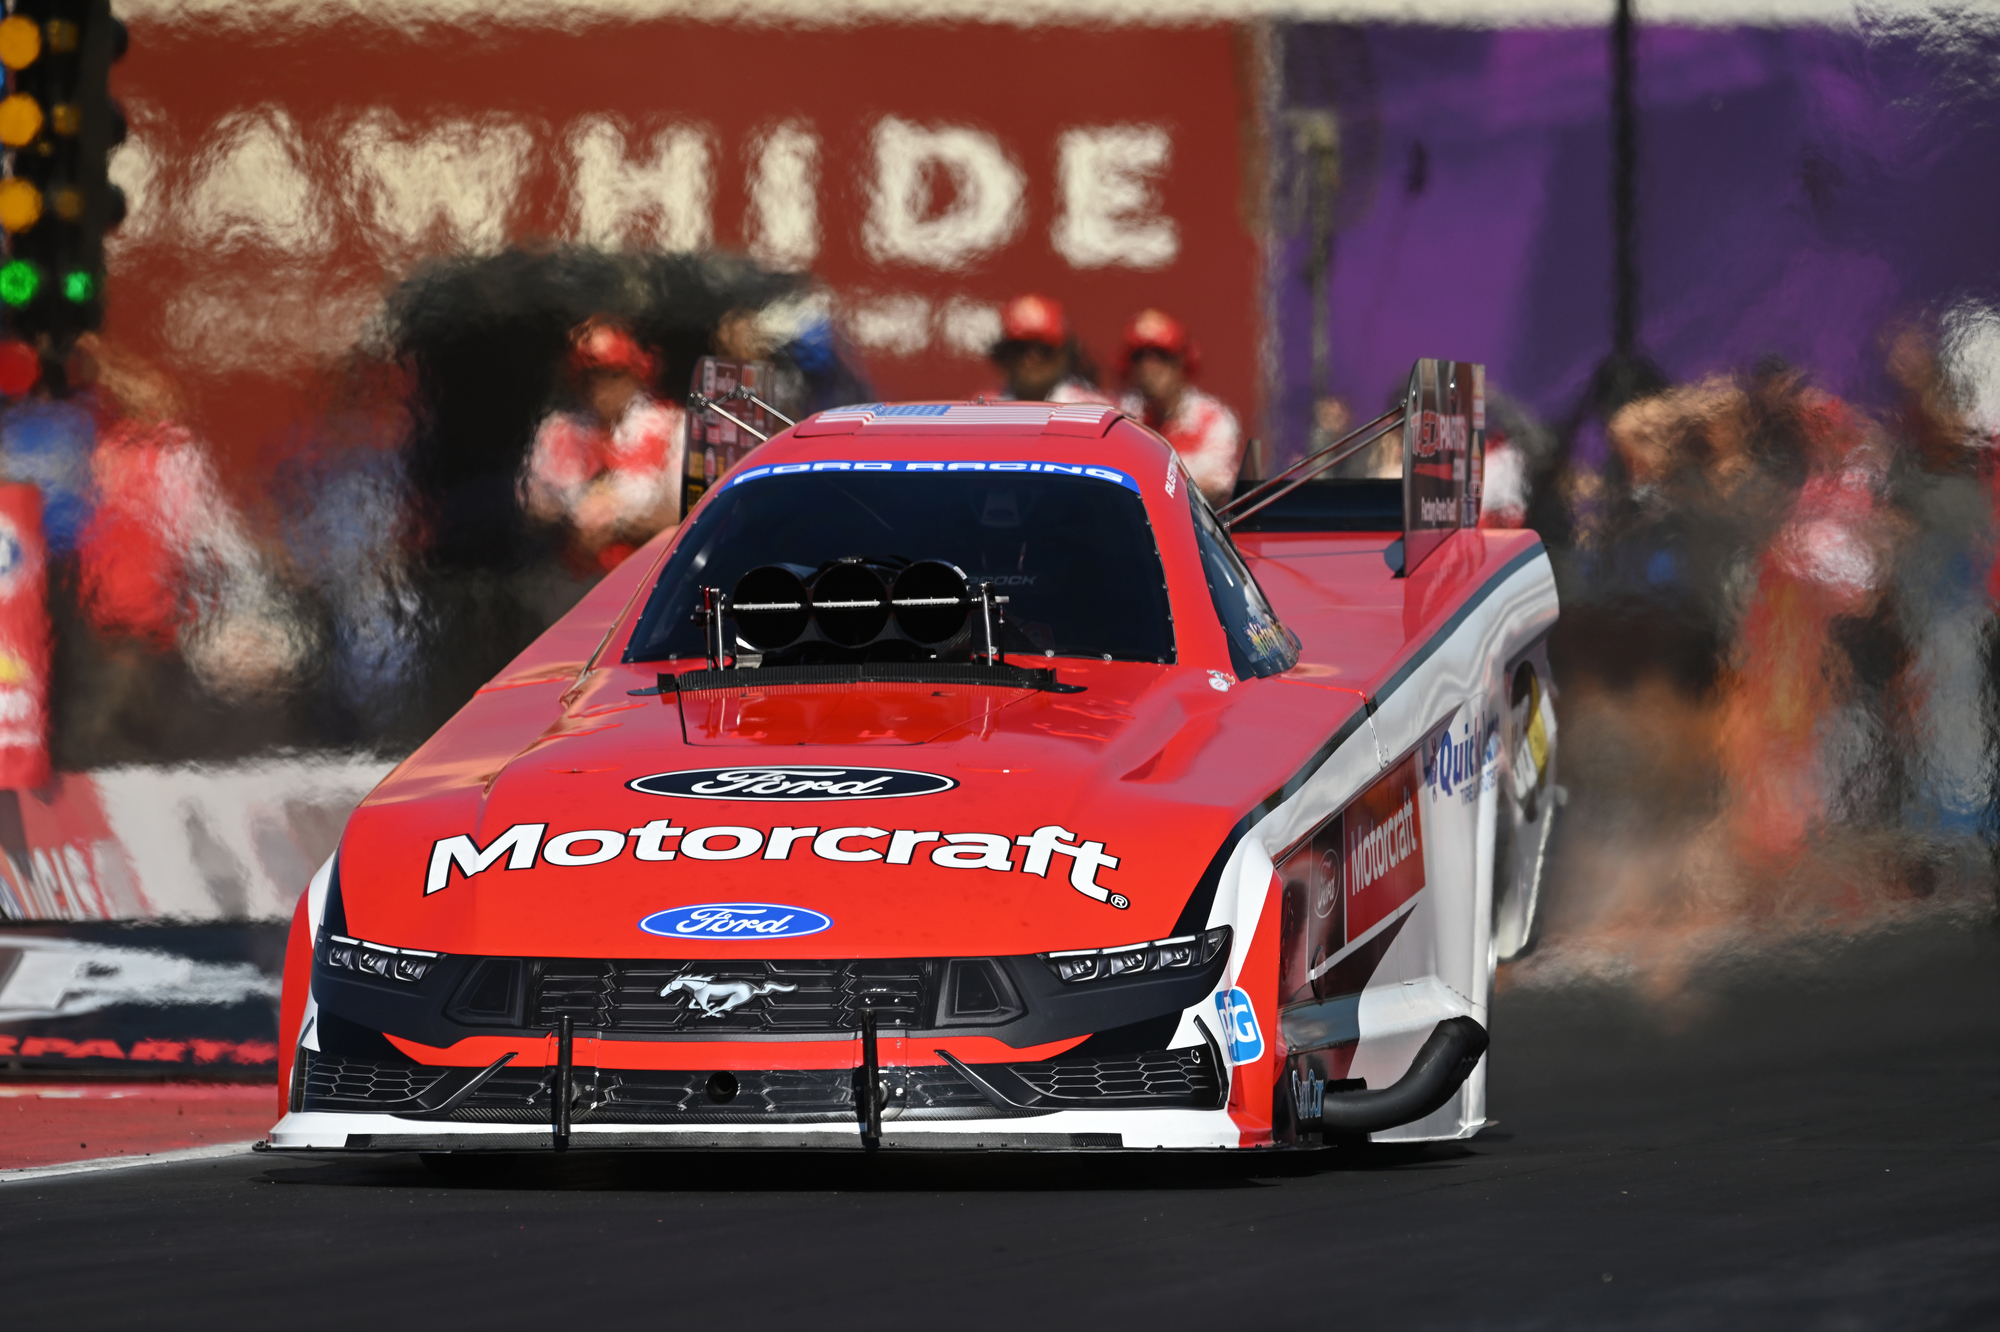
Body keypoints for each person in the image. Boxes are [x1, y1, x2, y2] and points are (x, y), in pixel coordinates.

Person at [522, 318, 685, 571]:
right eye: (591, 375)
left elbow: (688, 513)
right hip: (573, 577)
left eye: (614, 374)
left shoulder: (671, 427)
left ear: (638, 372)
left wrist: (618, 522)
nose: (601, 387)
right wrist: (571, 517)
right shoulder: (558, 430)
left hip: (651, 573)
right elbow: (533, 510)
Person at [1118, 309, 1243, 507]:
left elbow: (1216, 484)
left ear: (1182, 362)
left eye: (1161, 357)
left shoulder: (1213, 419)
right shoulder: (1121, 417)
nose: (1149, 368)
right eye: (1140, 358)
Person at [988, 295, 1112, 405]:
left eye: (1044, 350)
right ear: (1003, 354)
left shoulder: (1096, 412)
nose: (1032, 359)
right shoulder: (984, 410)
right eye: (1020, 348)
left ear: (1064, 355)